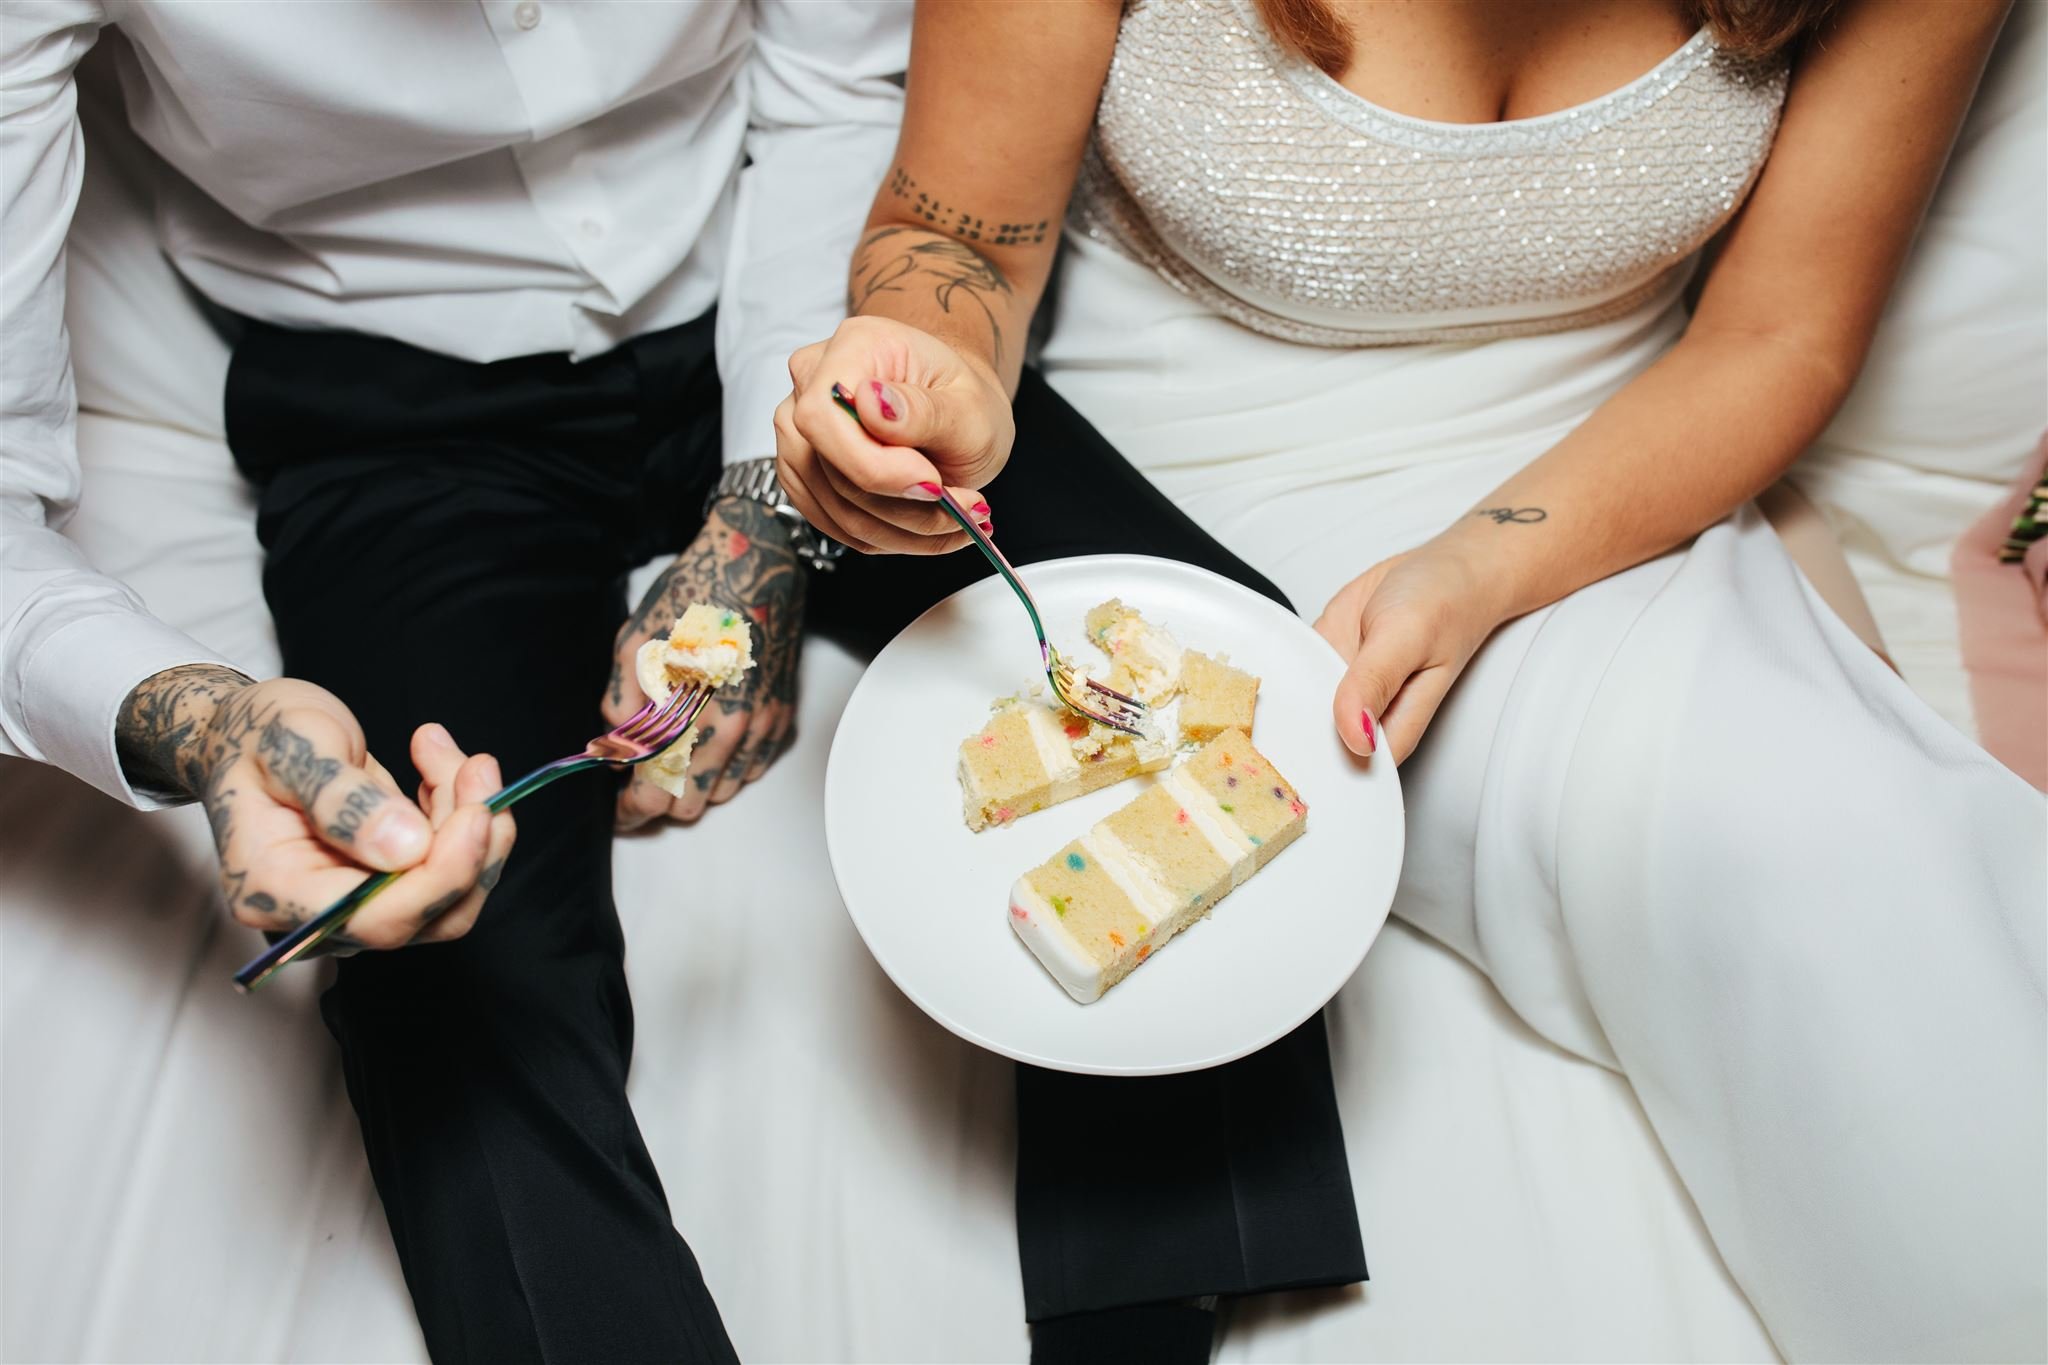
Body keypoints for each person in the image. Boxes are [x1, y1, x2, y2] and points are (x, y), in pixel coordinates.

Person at [781, 0, 2048, 1359]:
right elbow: (954, 237)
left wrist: (1481, 573)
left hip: (1601, 484)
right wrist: (935, 363)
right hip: (1165, 500)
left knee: (1842, 855)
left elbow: (1779, 337)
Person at [1, 4, 921, 1359]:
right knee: (457, 980)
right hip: (402, 412)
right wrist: (202, 722)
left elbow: (840, 79)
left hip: (794, 267)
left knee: (1155, 656)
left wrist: (767, 515)